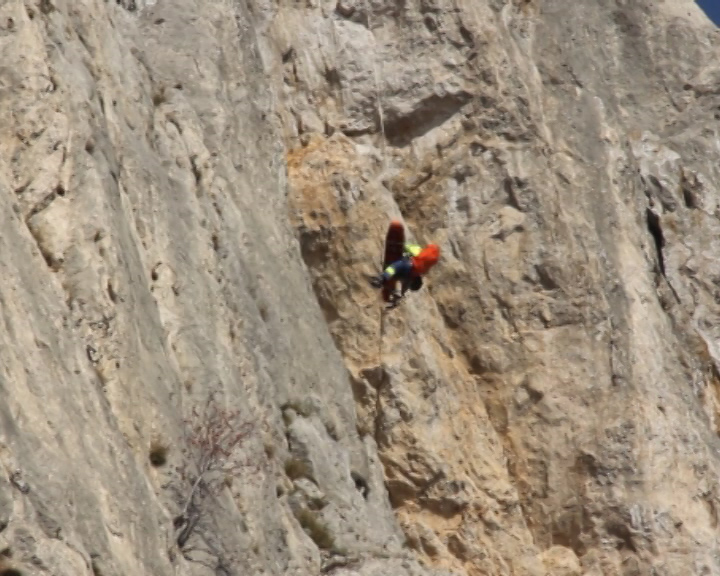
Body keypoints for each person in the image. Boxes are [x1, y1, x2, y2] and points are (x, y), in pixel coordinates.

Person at [369, 242, 440, 304]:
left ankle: (381, 278)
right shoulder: (426, 268)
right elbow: (408, 283)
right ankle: (397, 293)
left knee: (394, 267)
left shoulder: (419, 250)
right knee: (399, 278)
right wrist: (402, 293)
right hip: (408, 274)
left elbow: (406, 246)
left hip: (406, 264)